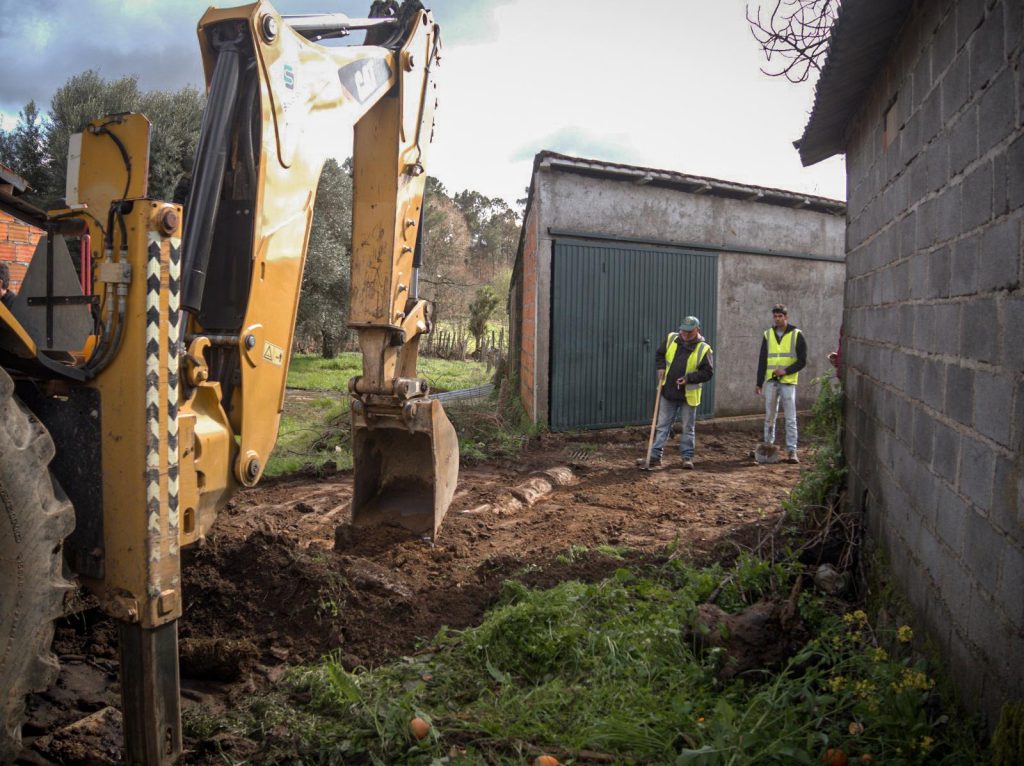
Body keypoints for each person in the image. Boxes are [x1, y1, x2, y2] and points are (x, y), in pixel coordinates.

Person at [648, 315, 714, 469]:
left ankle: (687, 457)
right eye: (683, 331)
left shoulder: (704, 349)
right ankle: (655, 455)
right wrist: (661, 367)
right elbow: (660, 354)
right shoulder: (672, 338)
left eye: (688, 332)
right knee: (662, 425)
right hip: (668, 390)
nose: (684, 334)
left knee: (687, 427)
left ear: (697, 330)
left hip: (688, 395)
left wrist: (689, 378)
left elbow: (708, 373)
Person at [756, 304, 807, 463]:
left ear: (786, 317)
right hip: (771, 381)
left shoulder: (796, 334)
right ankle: (768, 446)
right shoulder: (768, 334)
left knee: (790, 418)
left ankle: (792, 450)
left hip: (788, 382)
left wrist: (786, 371)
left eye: (780, 316)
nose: (777, 319)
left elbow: (802, 361)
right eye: (775, 316)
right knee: (769, 416)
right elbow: (762, 360)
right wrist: (759, 382)